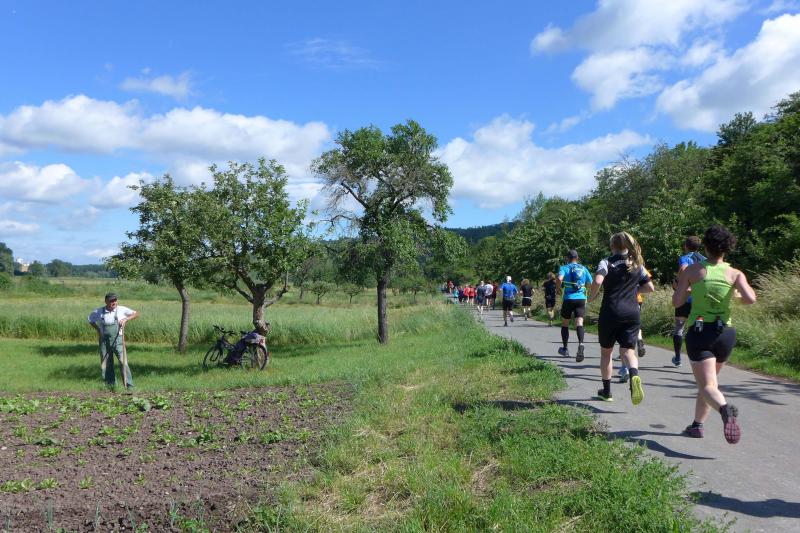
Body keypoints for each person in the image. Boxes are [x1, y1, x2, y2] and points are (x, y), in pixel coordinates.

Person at [673, 225, 755, 444]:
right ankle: (697, 426)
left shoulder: (693, 271)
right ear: (726, 248)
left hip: (701, 332)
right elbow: (750, 299)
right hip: (725, 333)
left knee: (707, 385)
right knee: (709, 383)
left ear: (706, 247)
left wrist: (687, 290)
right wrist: (735, 297)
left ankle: (725, 410)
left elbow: (677, 302)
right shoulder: (735, 273)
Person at [589, 232, 654, 403]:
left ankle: (607, 392)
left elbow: (598, 281)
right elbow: (650, 287)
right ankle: (634, 374)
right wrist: (633, 290)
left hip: (610, 312)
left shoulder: (606, 262)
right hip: (632, 312)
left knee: (606, 353)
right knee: (628, 351)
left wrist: (591, 297)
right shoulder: (637, 263)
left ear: (612, 246)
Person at [88, 292, 139, 390]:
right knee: (106, 363)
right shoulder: (99, 311)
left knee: (123, 362)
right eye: (111, 300)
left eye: (115, 300)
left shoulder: (122, 309)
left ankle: (129, 386)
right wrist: (98, 329)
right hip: (104, 341)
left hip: (118, 340)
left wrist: (126, 319)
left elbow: (136, 313)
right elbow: (90, 319)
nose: (114, 302)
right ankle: (110, 385)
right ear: (106, 301)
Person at [672, 236, 706, 367]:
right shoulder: (705, 260)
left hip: (685, 297)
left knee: (679, 326)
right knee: (698, 327)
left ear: (686, 246)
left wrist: (678, 281)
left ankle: (678, 358)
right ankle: (699, 358)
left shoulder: (685, 258)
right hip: (700, 299)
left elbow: (683, 269)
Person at [556, 250, 593, 362]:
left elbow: (559, 279)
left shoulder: (564, 268)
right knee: (579, 322)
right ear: (577, 258)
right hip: (581, 298)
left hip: (568, 298)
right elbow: (591, 282)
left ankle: (565, 349)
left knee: (565, 323)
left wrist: (558, 288)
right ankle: (581, 344)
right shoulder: (583, 268)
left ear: (567, 258)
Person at [618, 266, 651, 384]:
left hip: (622, 301)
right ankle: (639, 339)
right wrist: (636, 289)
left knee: (622, 335)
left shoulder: (618, 265)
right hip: (637, 299)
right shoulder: (639, 267)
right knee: (634, 325)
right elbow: (649, 284)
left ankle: (624, 369)